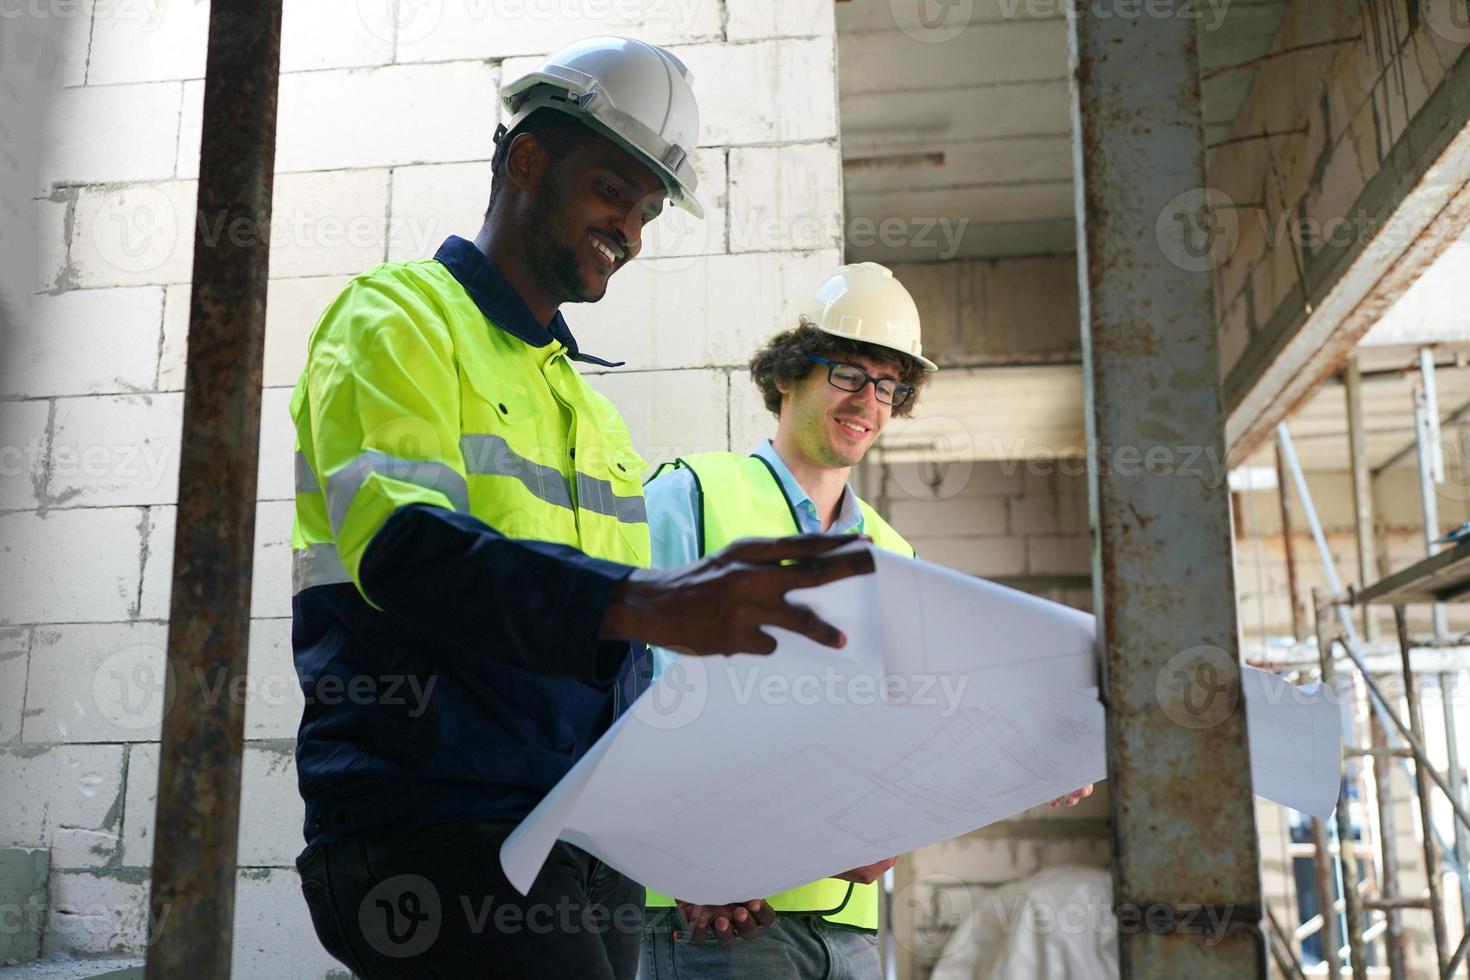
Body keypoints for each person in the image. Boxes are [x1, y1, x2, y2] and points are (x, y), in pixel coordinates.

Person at [287, 37, 873, 980]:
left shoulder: (590, 413)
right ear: (528, 160)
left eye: (646, 212)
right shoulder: (399, 320)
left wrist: (677, 851)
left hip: (574, 841)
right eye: (613, 192)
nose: (632, 232)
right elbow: (409, 553)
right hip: (433, 824)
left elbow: (616, 678)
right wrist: (649, 598)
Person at [639, 263, 1094, 979]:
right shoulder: (692, 495)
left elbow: (909, 729)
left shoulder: (894, 553)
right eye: (850, 373)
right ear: (789, 374)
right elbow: (633, 695)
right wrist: (687, 857)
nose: (870, 402)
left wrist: (1034, 756)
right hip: (716, 918)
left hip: (847, 930)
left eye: (889, 387)